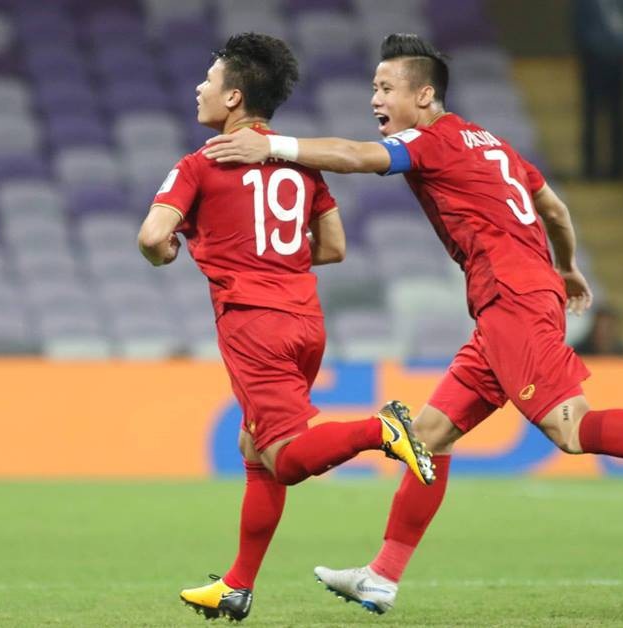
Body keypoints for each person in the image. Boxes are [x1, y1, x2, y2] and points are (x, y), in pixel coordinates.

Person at [203, 32, 623, 614]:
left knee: (571, 429)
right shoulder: (491, 142)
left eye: (385, 88)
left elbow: (358, 157)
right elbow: (554, 208)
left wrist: (274, 148)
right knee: (429, 437)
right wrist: (566, 268)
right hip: (516, 294)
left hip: (512, 298)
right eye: (373, 87)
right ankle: (382, 575)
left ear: (424, 95)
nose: (374, 99)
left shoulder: (432, 141)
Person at [137, 33, 435, 622]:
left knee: (288, 456)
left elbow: (151, 237)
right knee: (257, 449)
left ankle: (381, 430)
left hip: (254, 326)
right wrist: (274, 258)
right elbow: (335, 246)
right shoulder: (298, 163)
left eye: (209, 79)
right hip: (305, 322)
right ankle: (236, 585)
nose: (199, 86)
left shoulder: (200, 162)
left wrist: (171, 251)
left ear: (234, 98)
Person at [574, 0, 623, 179]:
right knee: (592, 113)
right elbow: (579, 23)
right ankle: (591, 167)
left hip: (616, 56)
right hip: (594, 55)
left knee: (617, 114)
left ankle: (617, 168)